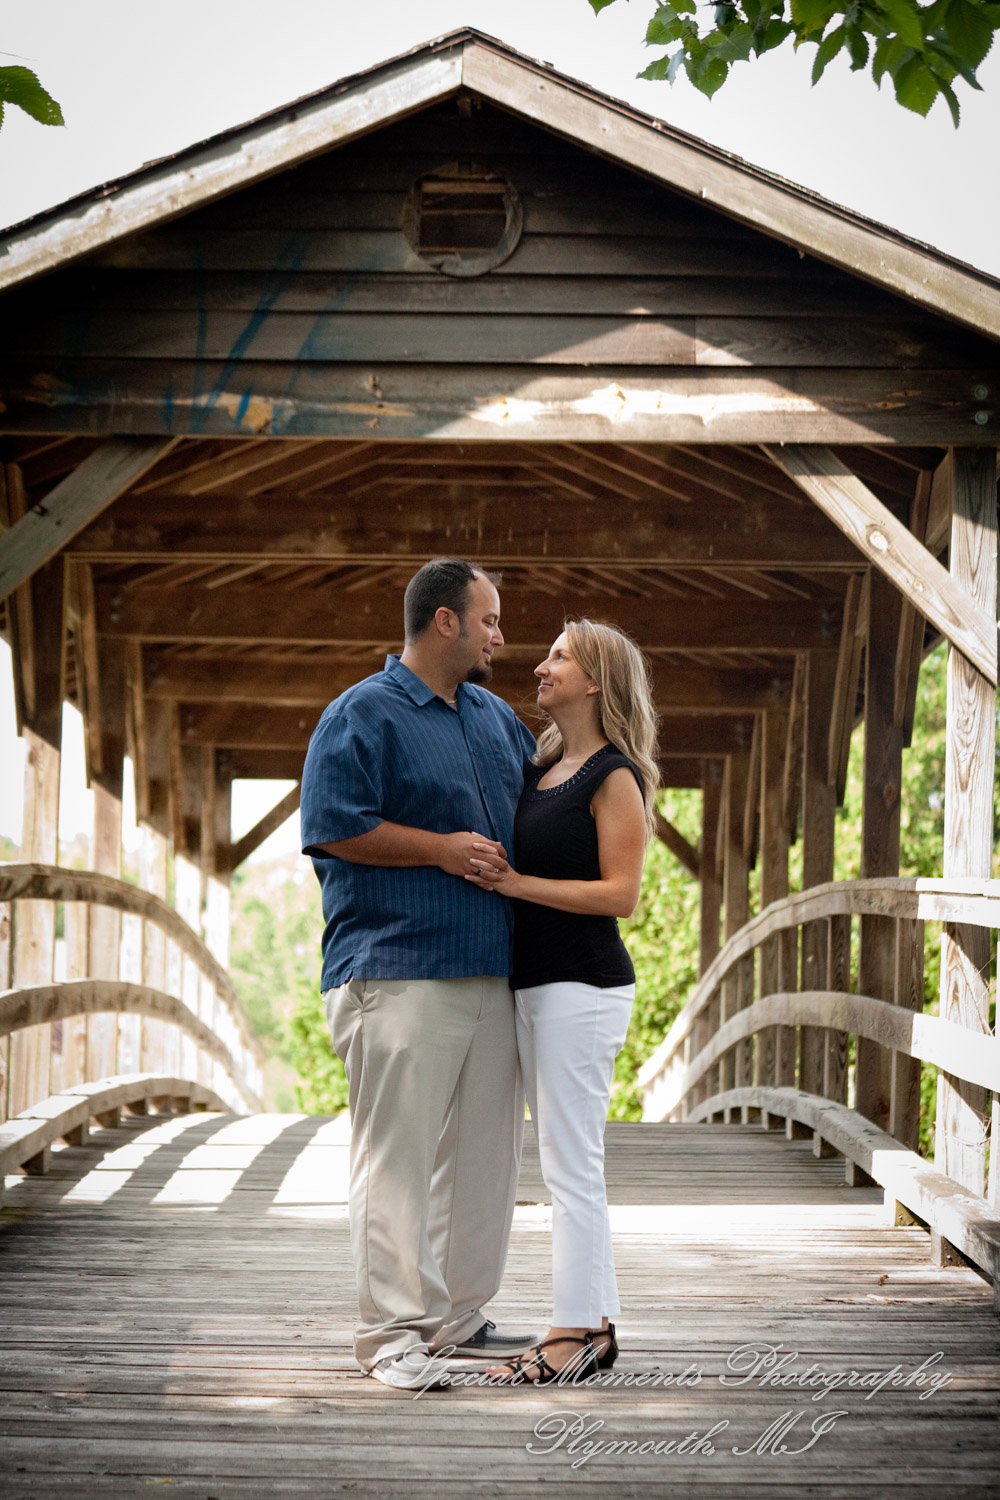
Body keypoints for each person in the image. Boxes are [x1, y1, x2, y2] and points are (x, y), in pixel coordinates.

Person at [299, 558, 538, 1390]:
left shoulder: (497, 719)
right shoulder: (359, 714)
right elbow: (332, 827)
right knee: (396, 1162)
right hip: (397, 967)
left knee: (485, 1160)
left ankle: (457, 1318)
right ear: (447, 622)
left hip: (495, 970)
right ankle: (391, 1337)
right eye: (491, 620)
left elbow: (544, 812)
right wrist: (440, 848)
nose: (501, 637)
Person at [465, 618, 659, 1385]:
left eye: (558, 657)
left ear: (596, 681)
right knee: (570, 1164)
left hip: (583, 987)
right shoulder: (542, 765)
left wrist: (514, 884)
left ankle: (565, 1334)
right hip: (536, 987)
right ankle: (598, 1324)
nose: (539, 667)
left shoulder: (613, 775)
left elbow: (623, 895)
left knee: (571, 1169)